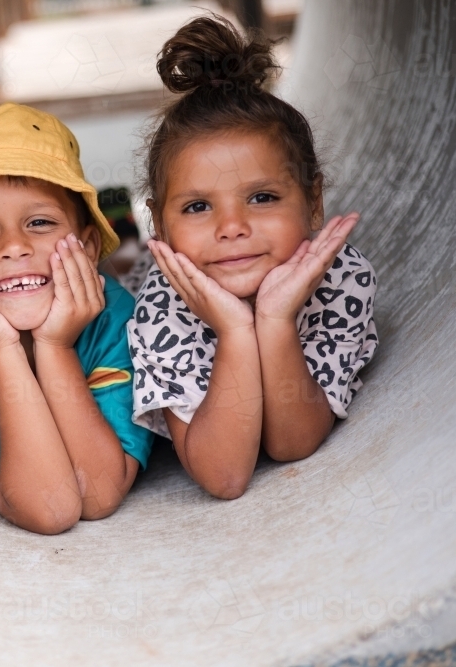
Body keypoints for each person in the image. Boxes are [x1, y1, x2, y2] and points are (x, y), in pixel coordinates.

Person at [127, 15, 379, 500]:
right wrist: (236, 331)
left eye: (262, 197)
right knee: (124, 269)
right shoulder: (163, 305)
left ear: (313, 202)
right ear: (160, 221)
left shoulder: (341, 279)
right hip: (144, 278)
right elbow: (223, 475)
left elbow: (292, 443)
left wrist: (275, 321)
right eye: (198, 206)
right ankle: (123, 227)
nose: (231, 227)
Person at [0, 104, 153, 534]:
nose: (13, 246)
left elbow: (100, 493)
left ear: (88, 249)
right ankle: (110, 225)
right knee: (84, 267)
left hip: (115, 282)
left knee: (134, 265)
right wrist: (2, 351)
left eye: (39, 222)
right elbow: (52, 509)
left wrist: (55, 346)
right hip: (51, 279)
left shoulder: (121, 323)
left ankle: (120, 226)